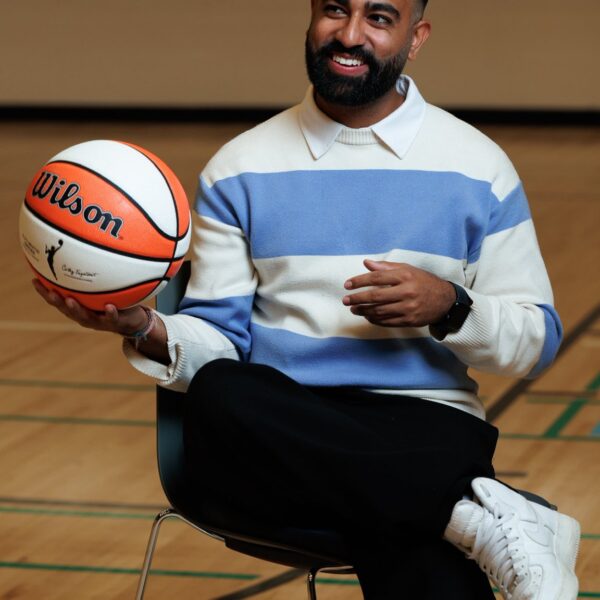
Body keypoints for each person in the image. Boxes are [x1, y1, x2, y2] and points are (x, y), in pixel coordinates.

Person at [34, 0, 581, 598]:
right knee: (222, 390)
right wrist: (145, 326)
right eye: (334, 11)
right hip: (282, 426)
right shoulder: (239, 169)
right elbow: (219, 340)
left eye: (378, 17)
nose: (348, 34)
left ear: (416, 37)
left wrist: (450, 306)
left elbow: (536, 343)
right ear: (310, 17)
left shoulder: (479, 168)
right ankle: (469, 515)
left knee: (396, 514)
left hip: (421, 426)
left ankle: (450, 512)